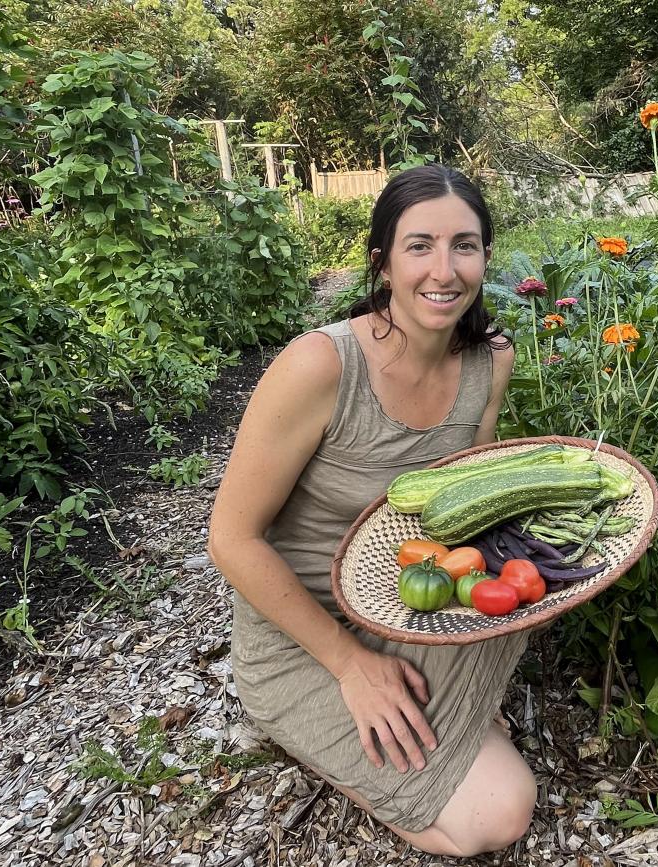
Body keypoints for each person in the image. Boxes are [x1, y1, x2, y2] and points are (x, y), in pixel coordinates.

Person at [207, 165, 535, 857]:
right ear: (382, 262)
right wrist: (351, 664)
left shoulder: (491, 360)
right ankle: (334, 727)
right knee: (497, 815)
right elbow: (231, 539)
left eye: (465, 245)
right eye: (419, 245)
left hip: (413, 601)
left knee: (518, 603)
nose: (444, 269)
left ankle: (443, 718)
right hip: (307, 633)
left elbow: (471, 507)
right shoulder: (320, 366)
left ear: (485, 256)